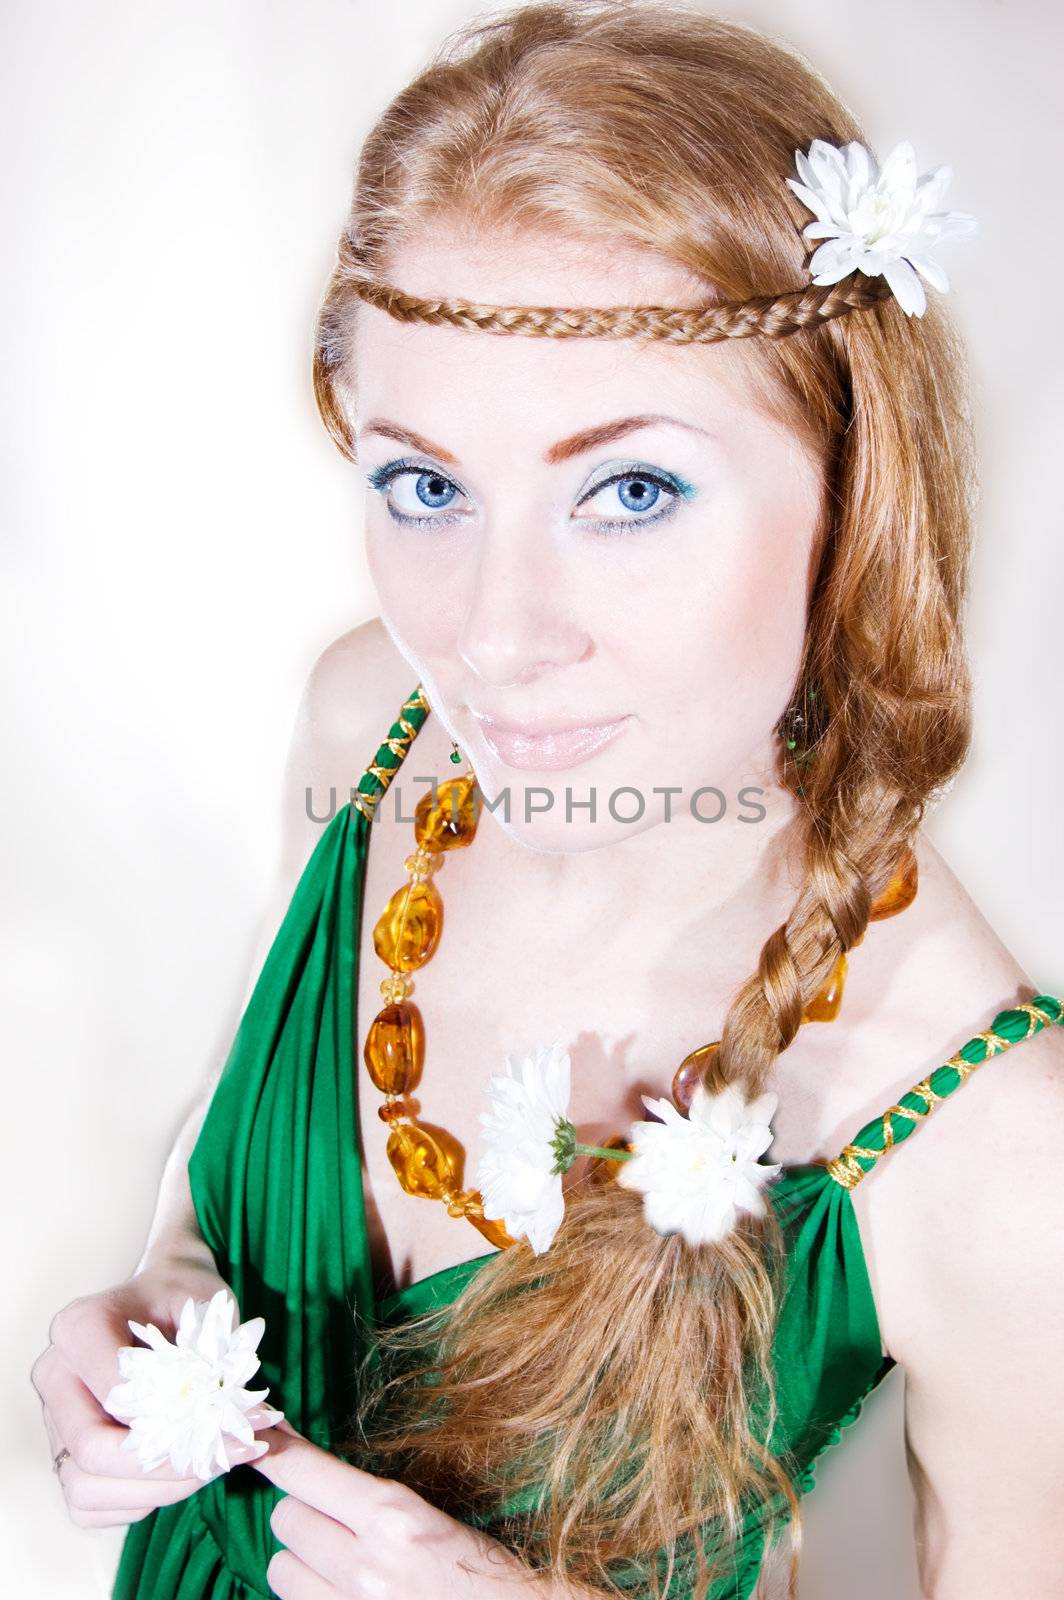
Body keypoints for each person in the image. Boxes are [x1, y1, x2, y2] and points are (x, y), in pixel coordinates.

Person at [30, 3, 1064, 1597]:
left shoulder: (993, 1149)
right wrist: (161, 1298)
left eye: (630, 490)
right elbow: (220, 1153)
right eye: (425, 486)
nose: (495, 638)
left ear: (852, 496)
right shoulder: (371, 720)